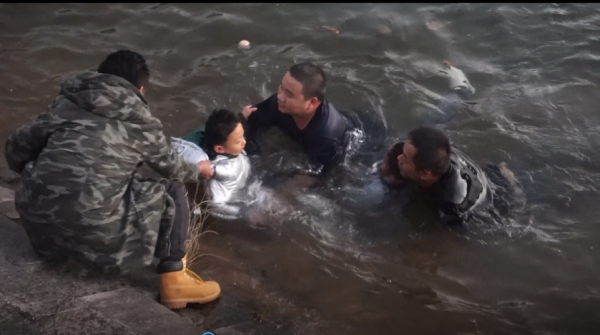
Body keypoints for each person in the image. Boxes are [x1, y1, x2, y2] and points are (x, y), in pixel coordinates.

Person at [4, 50, 220, 310]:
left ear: (100, 76)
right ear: (140, 89)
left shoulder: (66, 104)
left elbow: (15, 150)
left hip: (42, 237)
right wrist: (199, 170)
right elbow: (172, 167)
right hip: (102, 250)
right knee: (172, 189)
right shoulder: (142, 123)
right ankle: (174, 281)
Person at [241, 62, 354, 174]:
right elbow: (247, 127)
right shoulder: (278, 103)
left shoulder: (327, 137)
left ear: (312, 103)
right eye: (281, 87)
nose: (280, 96)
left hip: (359, 147)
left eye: (289, 95)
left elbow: (317, 177)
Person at [172, 109, 250, 219]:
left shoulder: (207, 132)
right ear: (219, 149)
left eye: (243, 136)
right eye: (238, 141)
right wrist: (243, 213)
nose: (244, 142)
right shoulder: (213, 165)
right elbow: (215, 204)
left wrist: (241, 117)